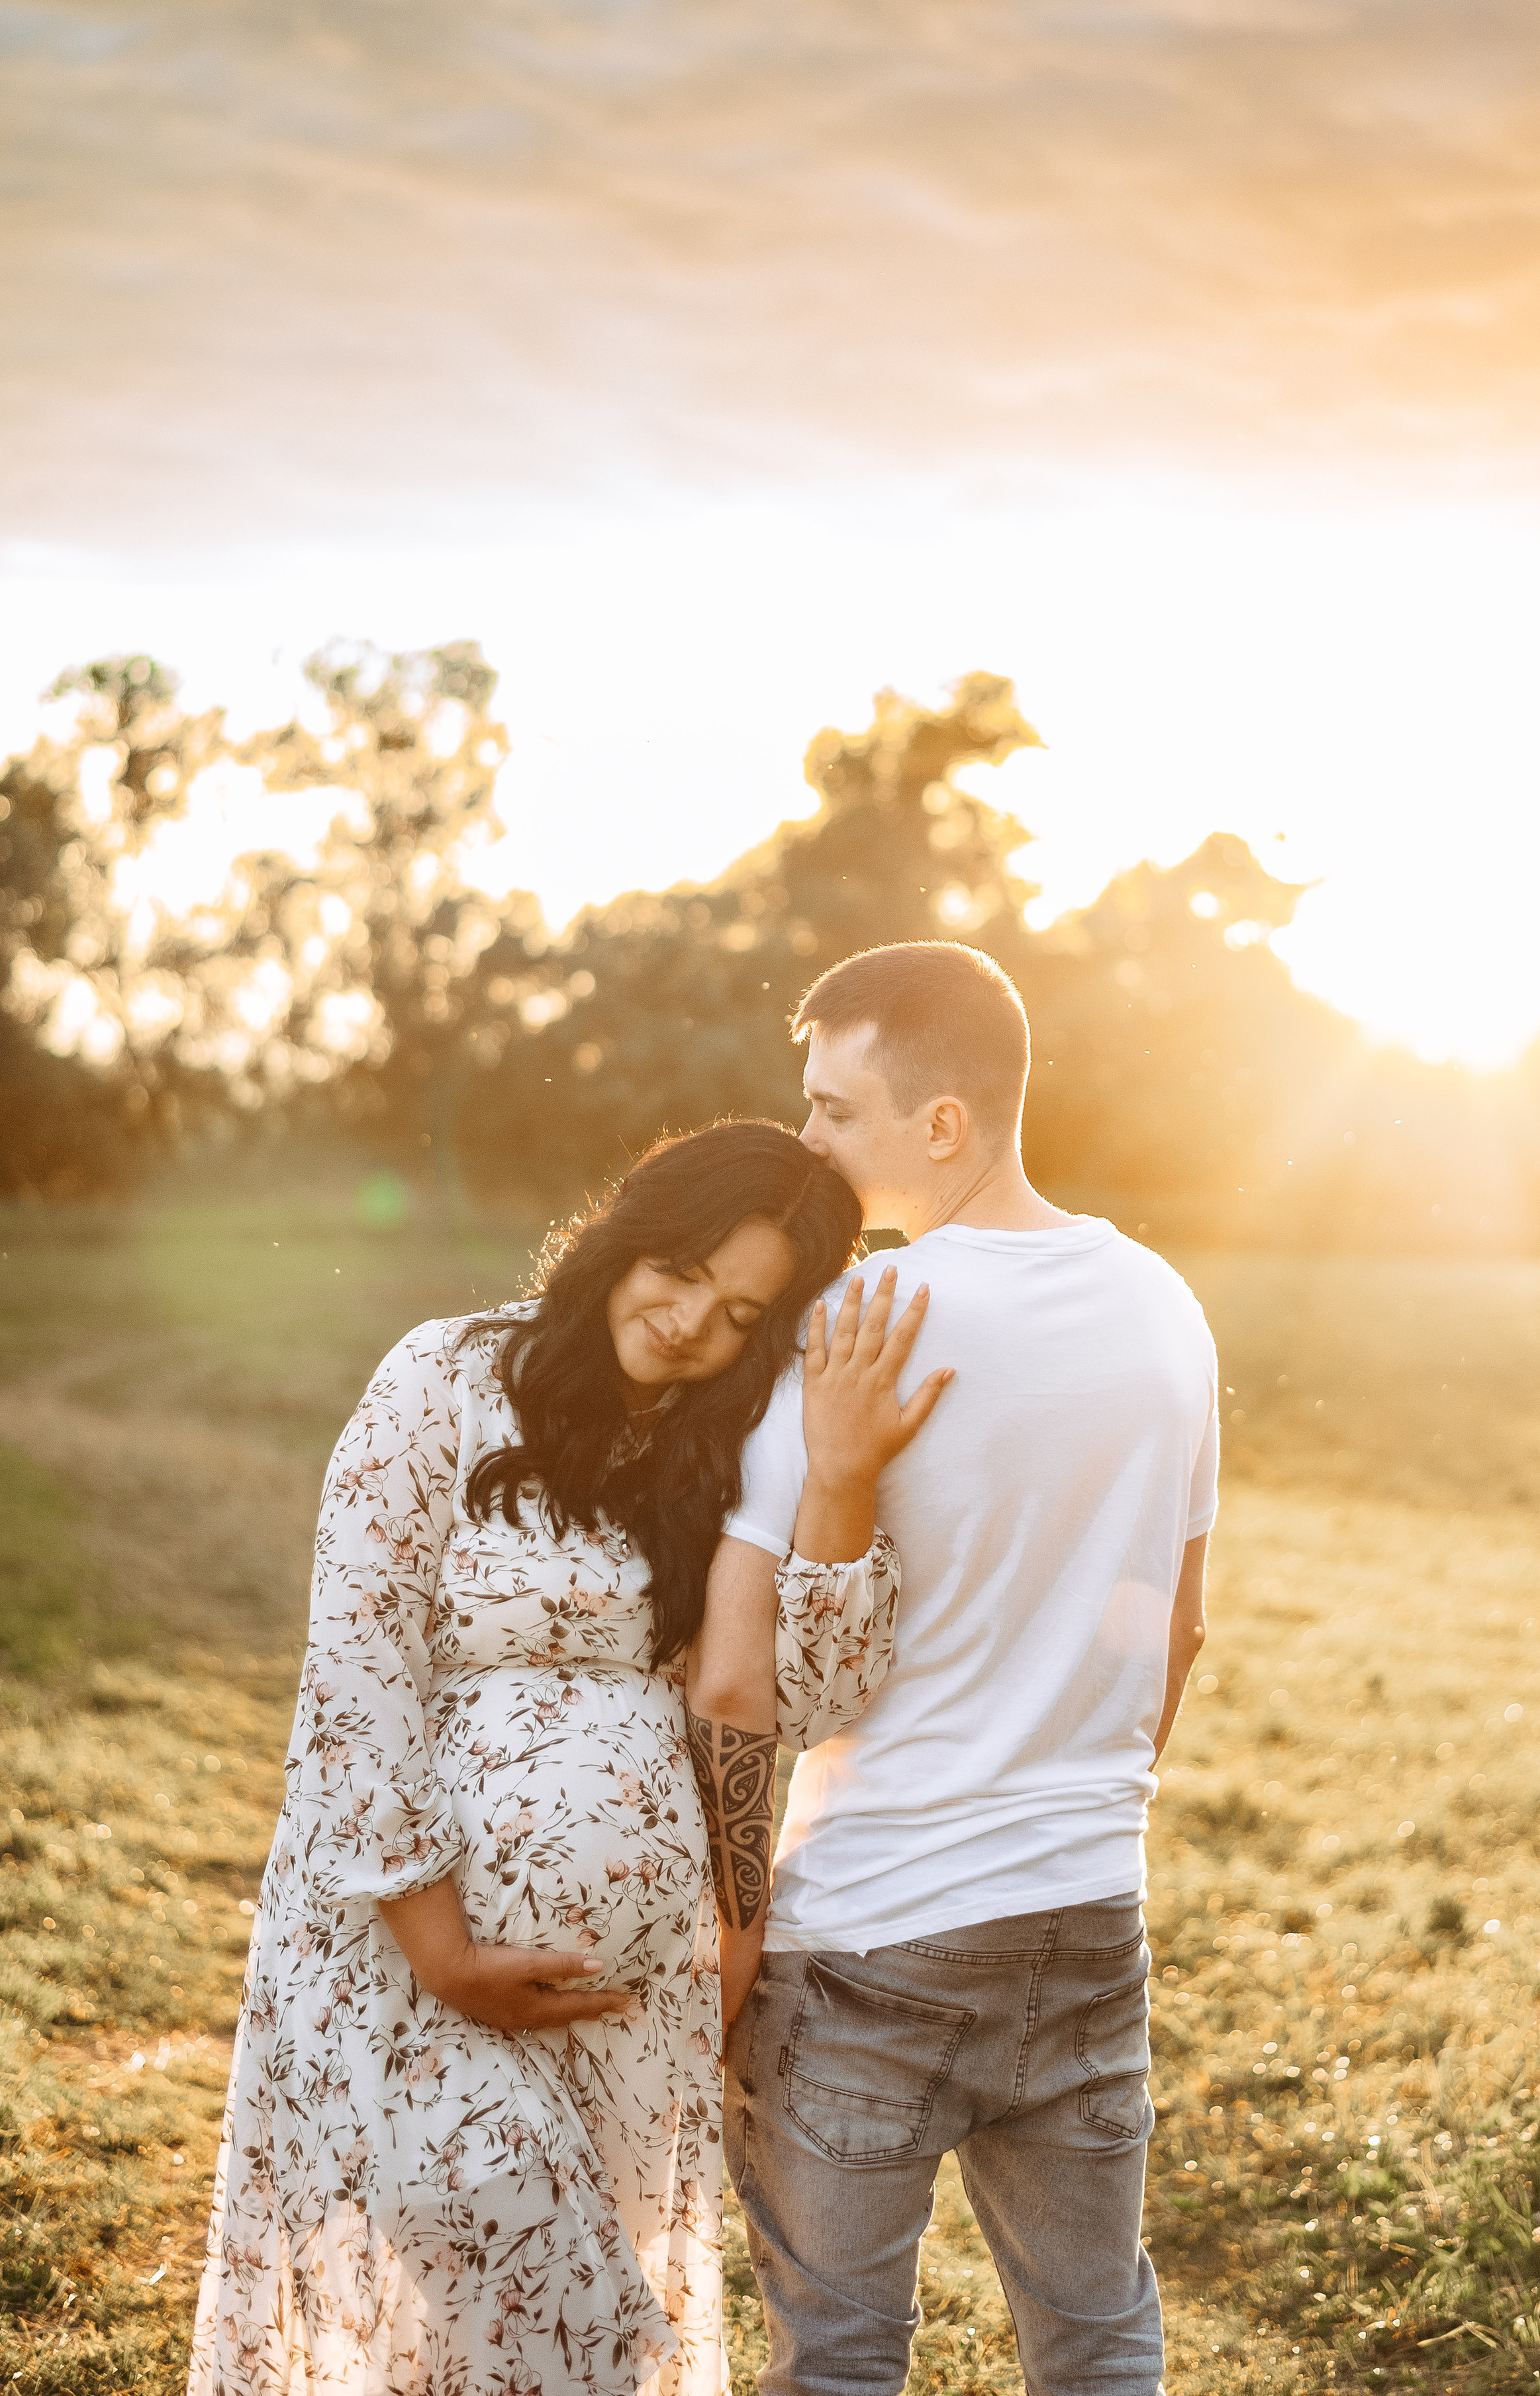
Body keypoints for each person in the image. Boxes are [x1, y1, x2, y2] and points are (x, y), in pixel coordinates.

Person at [191, 1120, 949, 2396]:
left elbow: (810, 1694)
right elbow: (357, 1668)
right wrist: (444, 1947)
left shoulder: (734, 1443)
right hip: (406, 1954)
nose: (691, 1322)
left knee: (514, 2326)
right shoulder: (445, 1376)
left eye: (741, 1312)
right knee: (496, 2221)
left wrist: (839, 1475)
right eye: (681, 1270)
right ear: (626, 1233)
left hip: (634, 1997)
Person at [698, 943, 1218, 2396]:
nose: (807, 1139)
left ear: (943, 1123)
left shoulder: (855, 1326)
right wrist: (1068, 1807)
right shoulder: (1164, 1306)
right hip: (1089, 1915)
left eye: (834, 1108)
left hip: (869, 1935)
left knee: (839, 2359)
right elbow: (1176, 1628)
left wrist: (730, 1944)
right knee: (1098, 2337)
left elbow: (739, 1678)